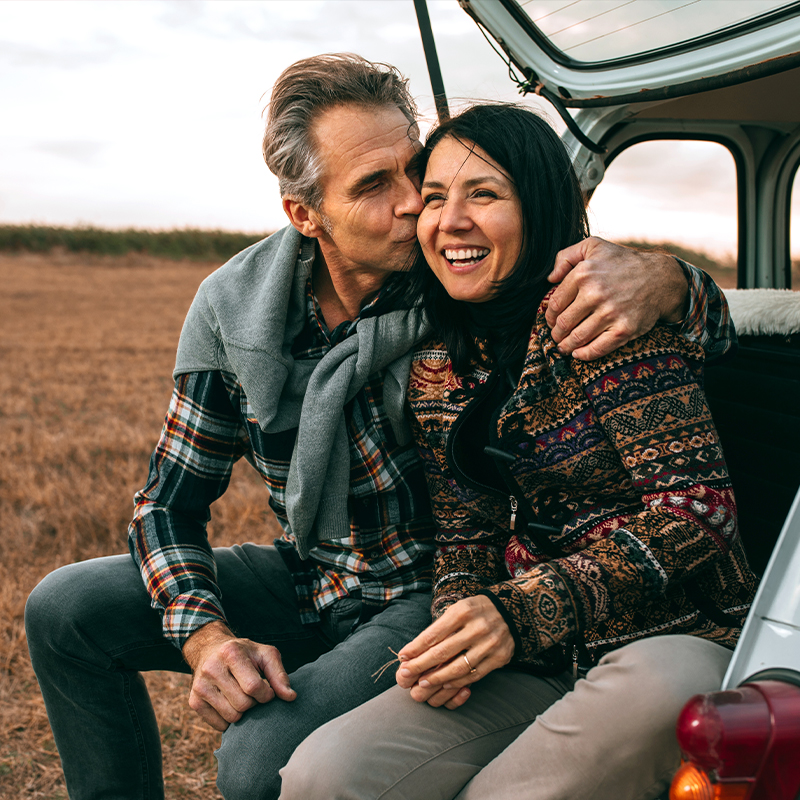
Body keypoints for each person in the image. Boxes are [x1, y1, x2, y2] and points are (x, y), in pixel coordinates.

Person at [25, 56, 734, 800]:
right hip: (315, 570)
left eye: (414, 174)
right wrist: (207, 638)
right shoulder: (234, 309)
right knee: (66, 609)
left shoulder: (463, 279)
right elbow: (168, 502)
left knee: (256, 763)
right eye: (375, 186)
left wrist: (675, 281)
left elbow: (584, 293)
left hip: (416, 591)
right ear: (305, 214)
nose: (416, 208)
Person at [277, 104, 757, 800]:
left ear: (540, 207)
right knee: (327, 774)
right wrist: (463, 624)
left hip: (674, 642)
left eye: (485, 194)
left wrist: (520, 611)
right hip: (535, 657)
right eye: (435, 198)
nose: (452, 220)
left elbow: (697, 511)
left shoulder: (605, 315)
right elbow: (466, 530)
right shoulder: (438, 363)